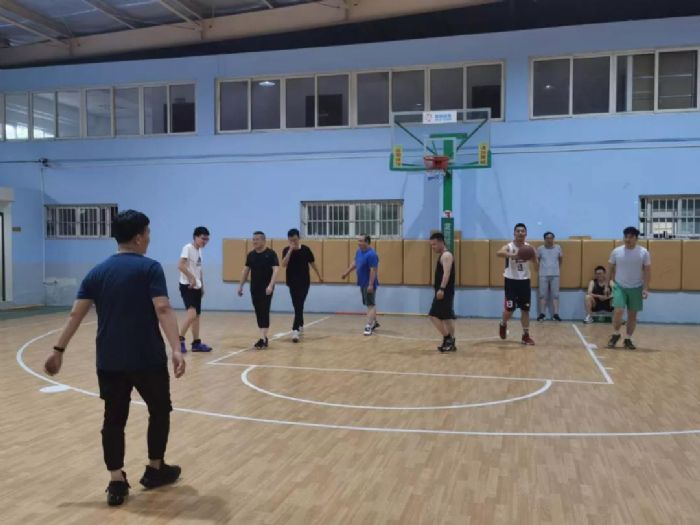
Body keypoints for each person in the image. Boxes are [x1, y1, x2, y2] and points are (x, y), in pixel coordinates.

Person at [43, 210, 185, 507]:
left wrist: (58, 351)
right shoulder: (150, 268)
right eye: (148, 233)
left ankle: (116, 481)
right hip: (147, 358)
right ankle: (155, 469)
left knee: (113, 419)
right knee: (159, 410)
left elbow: (76, 314)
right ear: (138, 237)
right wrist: (176, 347)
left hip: (110, 360)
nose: (149, 238)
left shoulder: (97, 272)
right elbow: (162, 308)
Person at [606, 226, 651, 350]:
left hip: (636, 287)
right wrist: (606, 285)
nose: (627, 239)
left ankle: (628, 338)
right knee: (618, 311)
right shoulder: (616, 251)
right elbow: (609, 268)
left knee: (632, 315)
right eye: (625, 236)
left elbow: (647, 271)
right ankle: (616, 334)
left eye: (631, 237)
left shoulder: (644, 252)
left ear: (636, 238)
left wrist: (645, 288)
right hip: (619, 286)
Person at [497, 223, 537, 345]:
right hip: (511, 281)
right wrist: (514, 255)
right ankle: (503, 323)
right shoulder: (509, 246)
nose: (520, 233)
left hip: (524, 282)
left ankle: (525, 335)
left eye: (522, 231)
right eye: (518, 231)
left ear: (526, 233)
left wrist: (534, 259)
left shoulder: (529, 248)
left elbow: (536, 268)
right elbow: (499, 253)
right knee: (510, 309)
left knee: (525, 310)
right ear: (514, 233)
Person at [238, 231, 279, 349]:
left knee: (264, 310)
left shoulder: (271, 254)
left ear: (263, 240)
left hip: (267, 288)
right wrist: (241, 286)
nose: (254, 241)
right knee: (258, 311)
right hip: (254, 288)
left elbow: (276, 270)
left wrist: (271, 285)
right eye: (253, 239)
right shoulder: (251, 255)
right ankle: (264, 338)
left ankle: (262, 338)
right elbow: (246, 271)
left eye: (257, 239)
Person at [281, 228, 323, 343]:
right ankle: (300, 324)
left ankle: (295, 330)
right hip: (292, 282)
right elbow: (283, 264)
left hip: (304, 281)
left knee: (299, 303)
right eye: (290, 240)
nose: (293, 242)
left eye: (294, 240)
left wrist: (319, 275)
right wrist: (290, 250)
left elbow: (313, 263)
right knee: (297, 304)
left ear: (299, 238)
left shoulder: (306, 249)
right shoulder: (286, 250)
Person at [178, 226, 212, 352]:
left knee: (197, 316)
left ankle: (196, 343)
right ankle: (179, 340)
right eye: (203, 238)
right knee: (192, 314)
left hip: (196, 286)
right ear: (195, 237)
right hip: (187, 286)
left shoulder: (199, 251)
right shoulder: (187, 248)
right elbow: (180, 265)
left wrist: (201, 285)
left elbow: (199, 270)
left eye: (207, 239)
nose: (205, 241)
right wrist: (191, 278)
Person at [341, 234, 380, 336]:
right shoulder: (359, 251)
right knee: (369, 304)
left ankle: (369, 326)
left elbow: (373, 270)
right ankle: (374, 322)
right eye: (358, 241)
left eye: (361, 241)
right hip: (362, 283)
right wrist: (346, 273)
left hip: (369, 283)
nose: (359, 243)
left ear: (367, 242)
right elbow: (355, 263)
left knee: (370, 304)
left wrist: (370, 285)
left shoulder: (372, 254)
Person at [429, 232, 457, 352]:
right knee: (447, 318)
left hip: (444, 292)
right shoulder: (444, 255)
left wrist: (441, 289)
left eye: (434, 244)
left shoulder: (446, 255)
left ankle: (448, 339)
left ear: (441, 242)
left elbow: (447, 274)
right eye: (431, 245)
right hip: (446, 291)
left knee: (433, 316)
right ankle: (451, 343)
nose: (433, 247)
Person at [537, 231, 563, 322]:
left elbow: (561, 260)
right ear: (544, 239)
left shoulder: (558, 248)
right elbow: (537, 260)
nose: (549, 240)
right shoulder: (540, 249)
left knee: (555, 295)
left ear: (553, 239)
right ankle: (542, 314)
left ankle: (556, 314)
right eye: (547, 238)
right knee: (542, 295)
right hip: (543, 275)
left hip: (555, 274)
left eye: (551, 238)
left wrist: (556, 269)